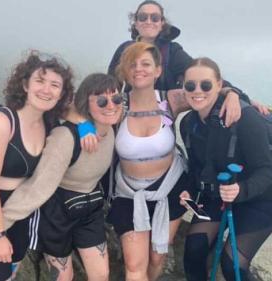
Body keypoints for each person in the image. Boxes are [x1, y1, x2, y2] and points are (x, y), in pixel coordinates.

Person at [0, 73, 123, 281]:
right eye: (101, 100)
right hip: (56, 212)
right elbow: (39, 185)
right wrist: (0, 222)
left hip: (89, 207)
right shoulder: (66, 138)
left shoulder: (110, 129)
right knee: (62, 278)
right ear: (85, 103)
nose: (111, 105)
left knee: (101, 275)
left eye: (116, 99)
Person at [0, 51, 74, 281]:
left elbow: (80, 116)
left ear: (61, 94)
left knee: (12, 267)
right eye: (39, 81)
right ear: (25, 84)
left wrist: (87, 129)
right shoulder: (2, 122)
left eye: (55, 85)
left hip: (19, 206)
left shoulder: (49, 123)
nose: (46, 89)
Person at [178, 57, 272, 281]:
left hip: (261, 199)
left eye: (206, 85)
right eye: (190, 86)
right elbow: (198, 167)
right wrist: (189, 190)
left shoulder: (245, 118)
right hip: (219, 195)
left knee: (233, 265)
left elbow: (267, 170)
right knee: (194, 250)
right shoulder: (188, 123)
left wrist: (242, 189)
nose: (197, 91)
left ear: (220, 85)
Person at [104, 41, 190, 281]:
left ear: (158, 70)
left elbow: (207, 92)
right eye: (132, 64)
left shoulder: (171, 99)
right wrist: (83, 132)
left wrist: (235, 96)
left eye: (145, 64)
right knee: (134, 265)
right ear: (125, 71)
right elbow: (80, 110)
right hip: (129, 194)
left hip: (170, 189)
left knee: (156, 257)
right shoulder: (116, 104)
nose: (138, 69)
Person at [107, 0, 269, 126]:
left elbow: (200, 74)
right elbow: (108, 87)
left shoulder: (172, 52)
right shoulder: (124, 50)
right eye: (143, 17)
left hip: (160, 118)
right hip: (129, 116)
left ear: (162, 23)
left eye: (155, 17)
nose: (149, 21)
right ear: (135, 22)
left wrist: (234, 94)